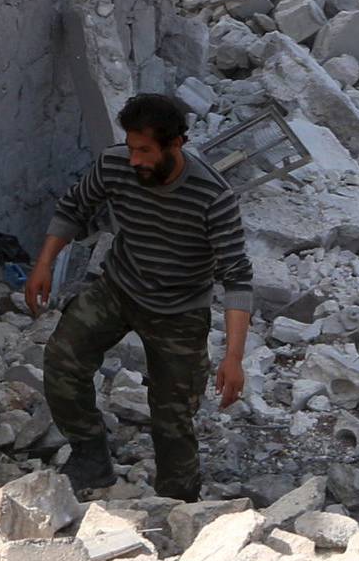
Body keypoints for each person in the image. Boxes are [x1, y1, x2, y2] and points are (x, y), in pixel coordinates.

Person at [26, 92, 253, 501]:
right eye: (132, 148)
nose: (135, 161)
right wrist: (44, 263)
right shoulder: (115, 164)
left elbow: (237, 280)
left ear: (176, 144)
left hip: (179, 311)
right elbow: (75, 207)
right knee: (63, 359)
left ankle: (178, 504)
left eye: (146, 151)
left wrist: (234, 357)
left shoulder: (213, 198)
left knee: (173, 417)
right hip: (119, 287)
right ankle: (90, 457)